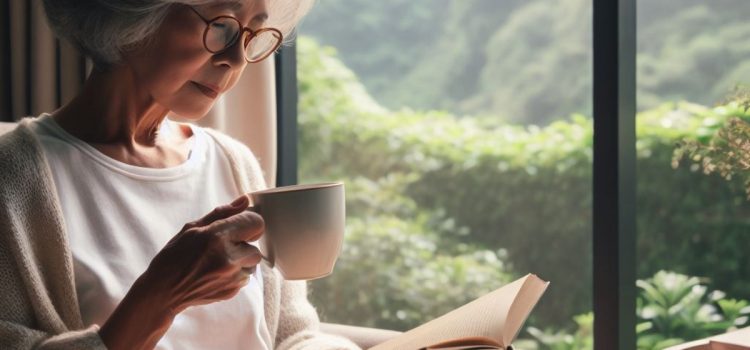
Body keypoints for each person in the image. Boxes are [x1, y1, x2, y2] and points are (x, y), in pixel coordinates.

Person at [0, 0, 360, 349]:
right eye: (221, 26)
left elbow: (292, 334)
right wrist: (161, 297)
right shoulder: (13, 179)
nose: (235, 60)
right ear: (133, 14)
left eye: (253, 35)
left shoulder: (233, 161)